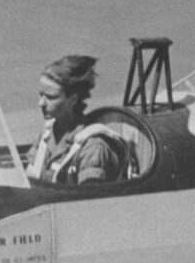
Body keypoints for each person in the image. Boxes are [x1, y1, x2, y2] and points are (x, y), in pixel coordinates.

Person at [25, 55, 125, 184]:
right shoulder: (47, 133)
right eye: (41, 95)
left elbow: (89, 194)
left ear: (73, 99)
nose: (41, 103)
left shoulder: (93, 147)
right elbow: (29, 179)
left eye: (51, 97)